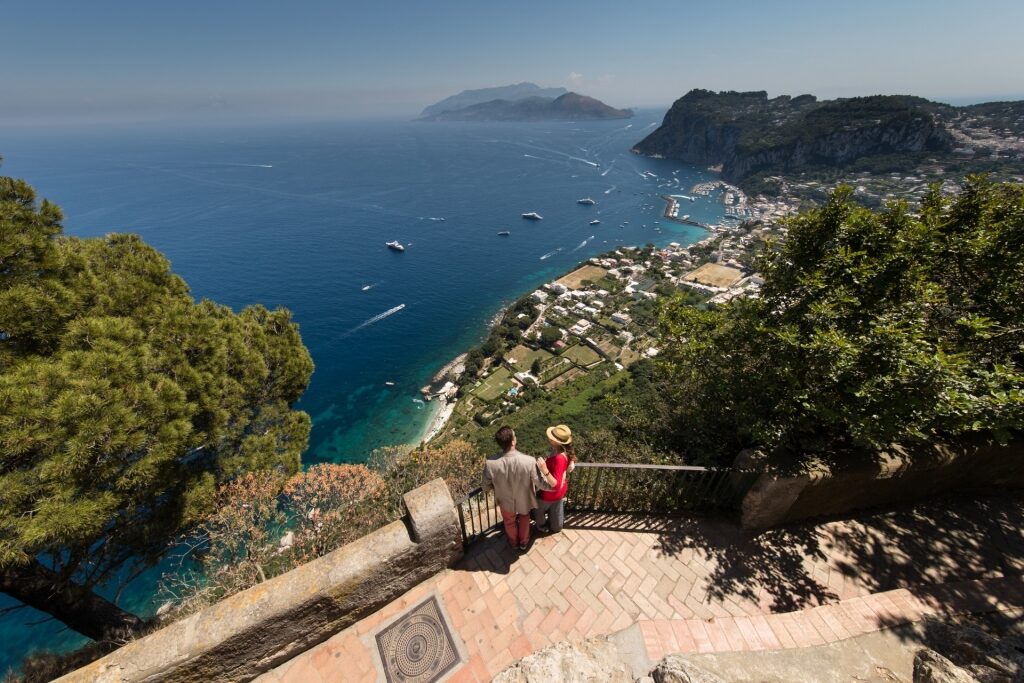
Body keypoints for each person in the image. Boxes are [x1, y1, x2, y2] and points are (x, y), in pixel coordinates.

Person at [483, 425, 557, 550]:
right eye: (515, 435)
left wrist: (496, 487)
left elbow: (485, 486)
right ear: (513, 441)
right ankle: (524, 542)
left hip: (505, 499)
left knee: (509, 522)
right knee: (524, 517)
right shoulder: (529, 461)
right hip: (524, 498)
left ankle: (514, 543)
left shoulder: (490, 464)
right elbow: (540, 483)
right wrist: (554, 487)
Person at [535, 424, 576, 534]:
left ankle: (541, 526)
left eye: (551, 438)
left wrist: (544, 469)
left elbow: (556, 485)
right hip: (560, 494)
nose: (549, 438)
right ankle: (554, 524)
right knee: (557, 527)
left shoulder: (558, 458)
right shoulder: (565, 450)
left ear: (557, 442)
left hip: (549, 494)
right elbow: (571, 457)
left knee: (538, 511)